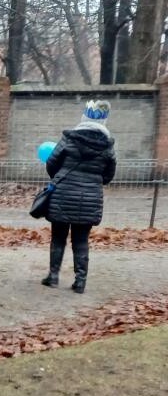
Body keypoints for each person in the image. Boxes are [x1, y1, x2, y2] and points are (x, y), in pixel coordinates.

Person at [41, 100, 117, 294]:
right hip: (90, 198)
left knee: (58, 237)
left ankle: (53, 276)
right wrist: (92, 182)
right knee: (81, 240)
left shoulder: (69, 140)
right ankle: (80, 281)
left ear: (84, 117)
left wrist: (60, 177)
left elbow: (51, 163)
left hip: (63, 195)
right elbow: (108, 176)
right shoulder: (107, 147)